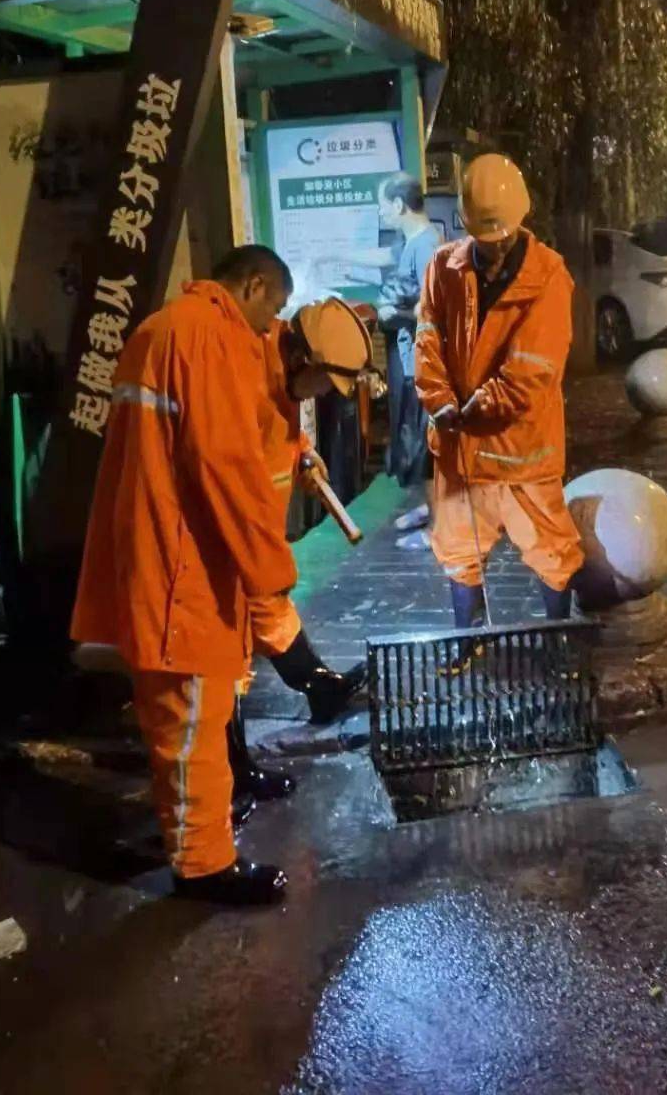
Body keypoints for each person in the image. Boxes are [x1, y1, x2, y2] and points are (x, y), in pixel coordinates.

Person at [71, 245, 299, 907]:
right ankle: (204, 864)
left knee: (177, 716)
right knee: (194, 716)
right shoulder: (209, 337)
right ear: (252, 286)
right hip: (185, 565)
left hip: (153, 555)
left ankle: (191, 844)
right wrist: (268, 569)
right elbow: (224, 464)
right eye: (271, 312)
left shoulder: (157, 330)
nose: (267, 332)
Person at [414, 154, 583, 637]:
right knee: (457, 548)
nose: (497, 247)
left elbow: (534, 368)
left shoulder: (549, 276)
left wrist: (476, 408)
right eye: (487, 240)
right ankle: (468, 639)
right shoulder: (443, 267)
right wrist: (439, 399)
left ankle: (556, 640)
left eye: (504, 236)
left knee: (551, 550)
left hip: (520, 451)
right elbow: (428, 337)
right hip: (459, 448)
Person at [232, 296, 373, 802]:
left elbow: (282, 426)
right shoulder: (241, 372)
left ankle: (322, 687)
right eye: (325, 384)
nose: (324, 397)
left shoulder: (278, 363)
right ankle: (230, 765)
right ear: (304, 360)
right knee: (227, 652)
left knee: (270, 610)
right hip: (229, 535)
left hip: (256, 532)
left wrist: (304, 456)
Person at [373, 173, 441, 548]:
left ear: (399, 206)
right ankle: (428, 509)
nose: (380, 213)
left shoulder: (427, 245)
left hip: (422, 362)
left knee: (424, 445)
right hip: (410, 357)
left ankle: (438, 528)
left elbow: (432, 308)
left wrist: (392, 313)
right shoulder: (414, 242)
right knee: (414, 441)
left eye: (382, 205)